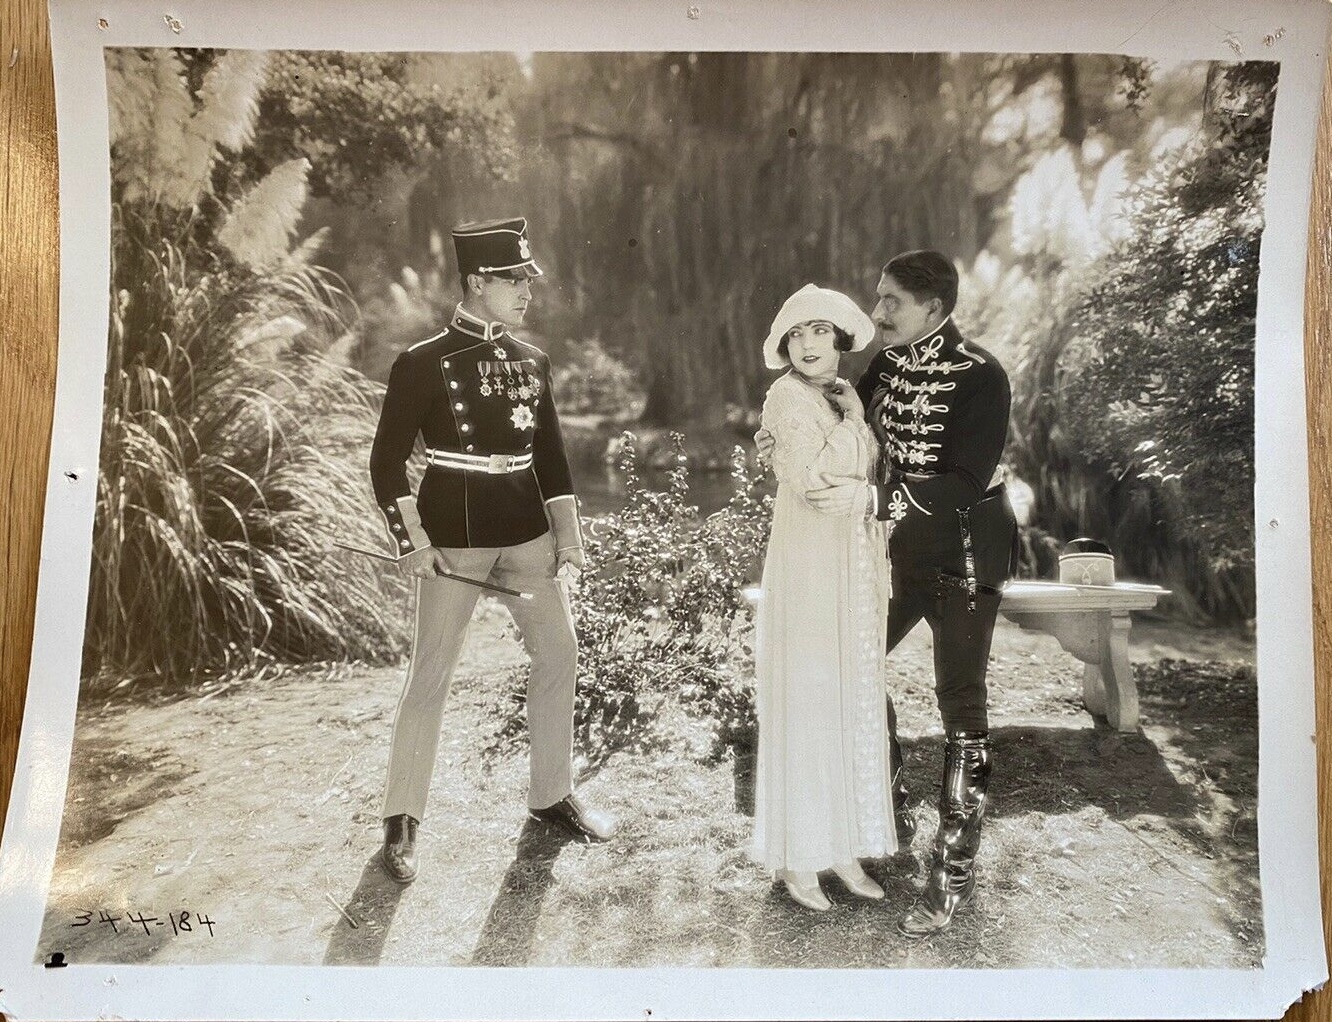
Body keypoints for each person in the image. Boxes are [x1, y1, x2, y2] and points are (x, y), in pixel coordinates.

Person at [368, 216, 615, 884]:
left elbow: (553, 457)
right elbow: (386, 464)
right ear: (477, 282)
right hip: (453, 542)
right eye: (513, 280)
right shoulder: (420, 363)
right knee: (432, 673)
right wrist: (411, 542)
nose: (526, 292)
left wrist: (569, 539)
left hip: (527, 534)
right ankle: (402, 823)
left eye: (526, 280)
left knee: (559, 653)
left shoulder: (532, 360)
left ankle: (551, 794)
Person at [805, 250, 1017, 937]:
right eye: (879, 298)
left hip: (962, 553)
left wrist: (872, 496)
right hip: (895, 553)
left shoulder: (982, 375)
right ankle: (889, 808)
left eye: (893, 301)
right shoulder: (886, 368)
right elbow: (856, 440)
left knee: (961, 703)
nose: (878, 313)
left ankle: (952, 869)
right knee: (847, 664)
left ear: (934, 306)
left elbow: (963, 478)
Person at [749, 284, 897, 912]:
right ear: (786, 346)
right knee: (809, 692)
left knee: (846, 691)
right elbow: (812, 482)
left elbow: (865, 477)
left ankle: (845, 846)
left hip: (848, 555)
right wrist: (856, 428)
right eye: (797, 334)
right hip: (809, 556)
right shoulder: (785, 396)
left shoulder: (842, 395)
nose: (808, 344)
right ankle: (799, 856)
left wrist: (856, 423)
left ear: (840, 340)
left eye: (820, 332)